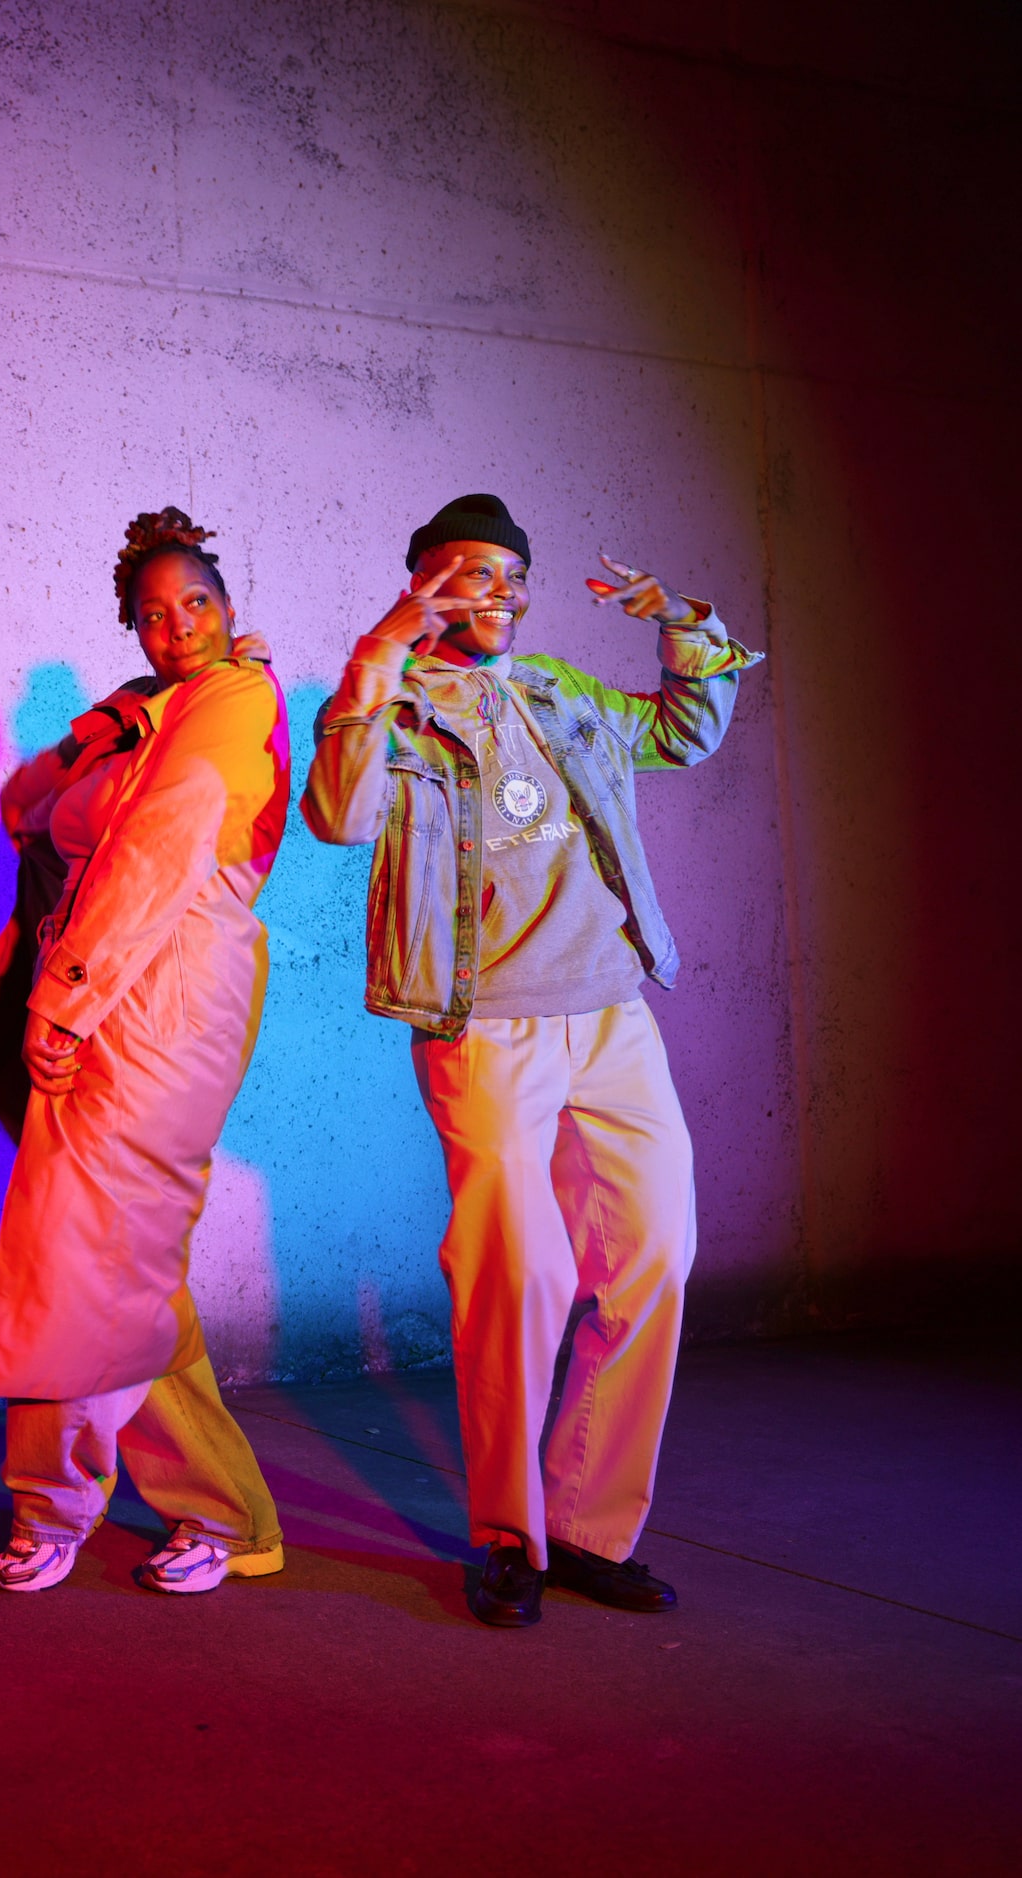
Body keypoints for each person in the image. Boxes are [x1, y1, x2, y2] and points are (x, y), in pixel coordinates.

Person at [301, 492, 762, 1628]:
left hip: (612, 1018)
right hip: (485, 1024)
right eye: (465, 572)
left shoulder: (560, 690)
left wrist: (681, 624)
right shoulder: (392, 704)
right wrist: (376, 654)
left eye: (509, 573)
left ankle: (589, 1531)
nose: (494, 590)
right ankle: (509, 1537)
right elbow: (338, 817)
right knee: (521, 1277)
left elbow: (679, 733)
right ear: (422, 586)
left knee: (652, 1256)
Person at [0, 506, 292, 1596]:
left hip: (167, 994)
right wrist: (109, 721)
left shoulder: (236, 697)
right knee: (121, 1260)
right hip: (96, 980)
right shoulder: (149, 713)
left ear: (230, 608)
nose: (178, 627)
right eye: (152, 618)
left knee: (76, 1251)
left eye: (196, 603)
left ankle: (54, 1507)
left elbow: (166, 840)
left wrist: (63, 1002)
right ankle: (222, 1511)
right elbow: (25, 804)